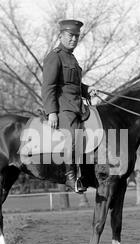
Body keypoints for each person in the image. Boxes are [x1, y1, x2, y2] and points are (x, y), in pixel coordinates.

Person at [42, 19, 97, 193]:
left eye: (76, 36)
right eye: (70, 36)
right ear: (61, 36)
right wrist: (51, 112)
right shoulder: (54, 56)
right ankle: (70, 177)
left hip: (78, 106)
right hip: (64, 108)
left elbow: (73, 84)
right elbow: (48, 87)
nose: (74, 39)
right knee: (72, 137)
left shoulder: (71, 58)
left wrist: (87, 90)